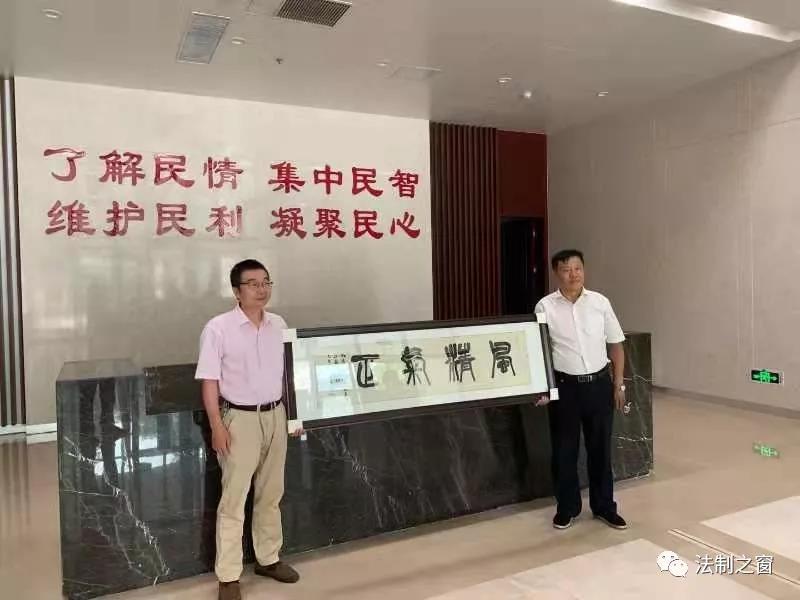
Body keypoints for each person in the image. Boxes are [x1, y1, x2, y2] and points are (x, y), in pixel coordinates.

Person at [195, 259, 302, 600]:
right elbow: (209, 381)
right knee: (234, 499)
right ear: (236, 291)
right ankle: (228, 577)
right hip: (238, 419)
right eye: (253, 284)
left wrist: (294, 417)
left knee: (271, 493)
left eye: (266, 282)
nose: (262, 289)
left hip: (276, 414)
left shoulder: (278, 324)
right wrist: (216, 425)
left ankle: (268, 558)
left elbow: (287, 374)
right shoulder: (218, 328)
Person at [534, 249, 628, 531]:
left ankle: (604, 507)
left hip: (599, 385)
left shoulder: (599, 302)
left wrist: (618, 383)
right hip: (565, 389)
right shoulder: (545, 307)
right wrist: (542, 387)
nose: (573, 274)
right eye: (566, 269)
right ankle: (567, 508)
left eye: (577, 268)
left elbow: (616, 345)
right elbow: (539, 351)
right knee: (564, 451)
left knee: (600, 450)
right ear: (556, 273)